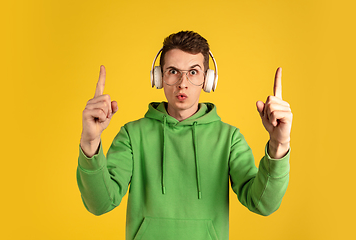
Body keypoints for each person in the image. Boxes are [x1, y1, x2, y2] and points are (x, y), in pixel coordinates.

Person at [77, 31, 292, 240]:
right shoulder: (132, 135)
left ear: (208, 80)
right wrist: (90, 141)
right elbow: (100, 203)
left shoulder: (229, 138)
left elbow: (262, 203)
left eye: (193, 72)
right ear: (159, 77)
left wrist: (279, 144)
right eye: (172, 71)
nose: (182, 82)